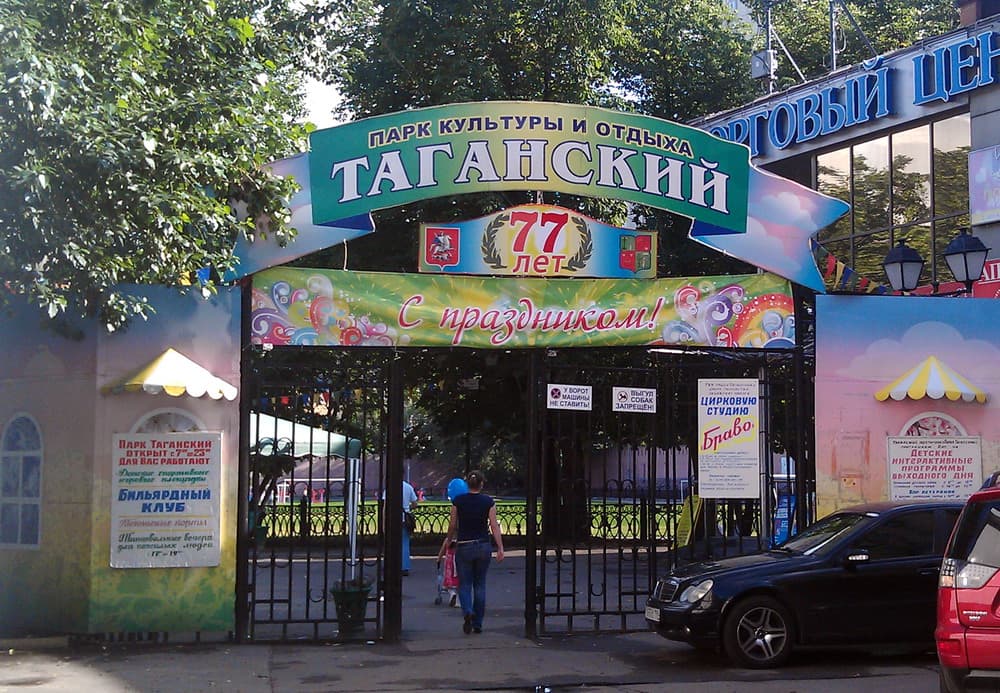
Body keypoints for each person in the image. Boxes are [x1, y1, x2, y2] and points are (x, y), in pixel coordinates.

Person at [446, 470, 504, 634]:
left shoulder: (458, 501)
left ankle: (468, 612)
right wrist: (500, 547)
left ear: (467, 485)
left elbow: (452, 525)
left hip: (464, 545)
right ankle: (478, 623)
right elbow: (494, 526)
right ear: (481, 484)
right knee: (480, 584)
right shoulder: (488, 502)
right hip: (483, 545)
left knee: (464, 584)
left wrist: (449, 540)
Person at [436, 477, 469, 607]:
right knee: (463, 575)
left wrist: (439, 556)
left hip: (452, 550)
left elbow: (448, 538)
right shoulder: (467, 509)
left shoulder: (455, 509)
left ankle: (452, 593)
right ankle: (461, 599)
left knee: (450, 574)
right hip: (465, 547)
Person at [401, 479, 418, 576]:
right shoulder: (408, 487)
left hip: (394, 518)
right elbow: (415, 503)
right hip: (406, 518)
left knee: (393, 543)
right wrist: (407, 508)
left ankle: (394, 565)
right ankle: (405, 567)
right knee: (405, 543)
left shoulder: (390, 487)